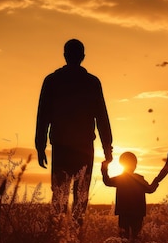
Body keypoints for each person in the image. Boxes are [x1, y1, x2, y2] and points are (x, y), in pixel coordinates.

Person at [35, 39, 113, 225]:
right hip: (83, 148)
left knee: (60, 195)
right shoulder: (92, 83)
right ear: (83, 57)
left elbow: (43, 115)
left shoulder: (52, 81)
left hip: (62, 147)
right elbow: (102, 117)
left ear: (64, 55)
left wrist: (40, 145)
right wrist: (107, 149)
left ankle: (59, 236)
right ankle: (75, 236)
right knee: (81, 196)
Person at [101, 152, 157, 242]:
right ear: (135, 165)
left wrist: (104, 167)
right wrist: (156, 182)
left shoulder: (120, 179)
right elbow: (150, 190)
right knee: (137, 238)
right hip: (137, 213)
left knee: (123, 239)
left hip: (124, 212)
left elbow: (106, 181)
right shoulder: (139, 180)